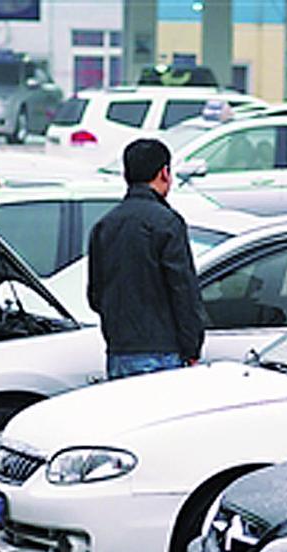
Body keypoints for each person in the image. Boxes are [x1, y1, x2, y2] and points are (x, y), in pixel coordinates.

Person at [87, 138, 203, 380]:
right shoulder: (167, 223)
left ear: (126, 175)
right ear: (164, 173)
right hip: (162, 351)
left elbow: (95, 296)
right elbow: (183, 291)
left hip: (118, 350)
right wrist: (192, 347)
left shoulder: (104, 225)